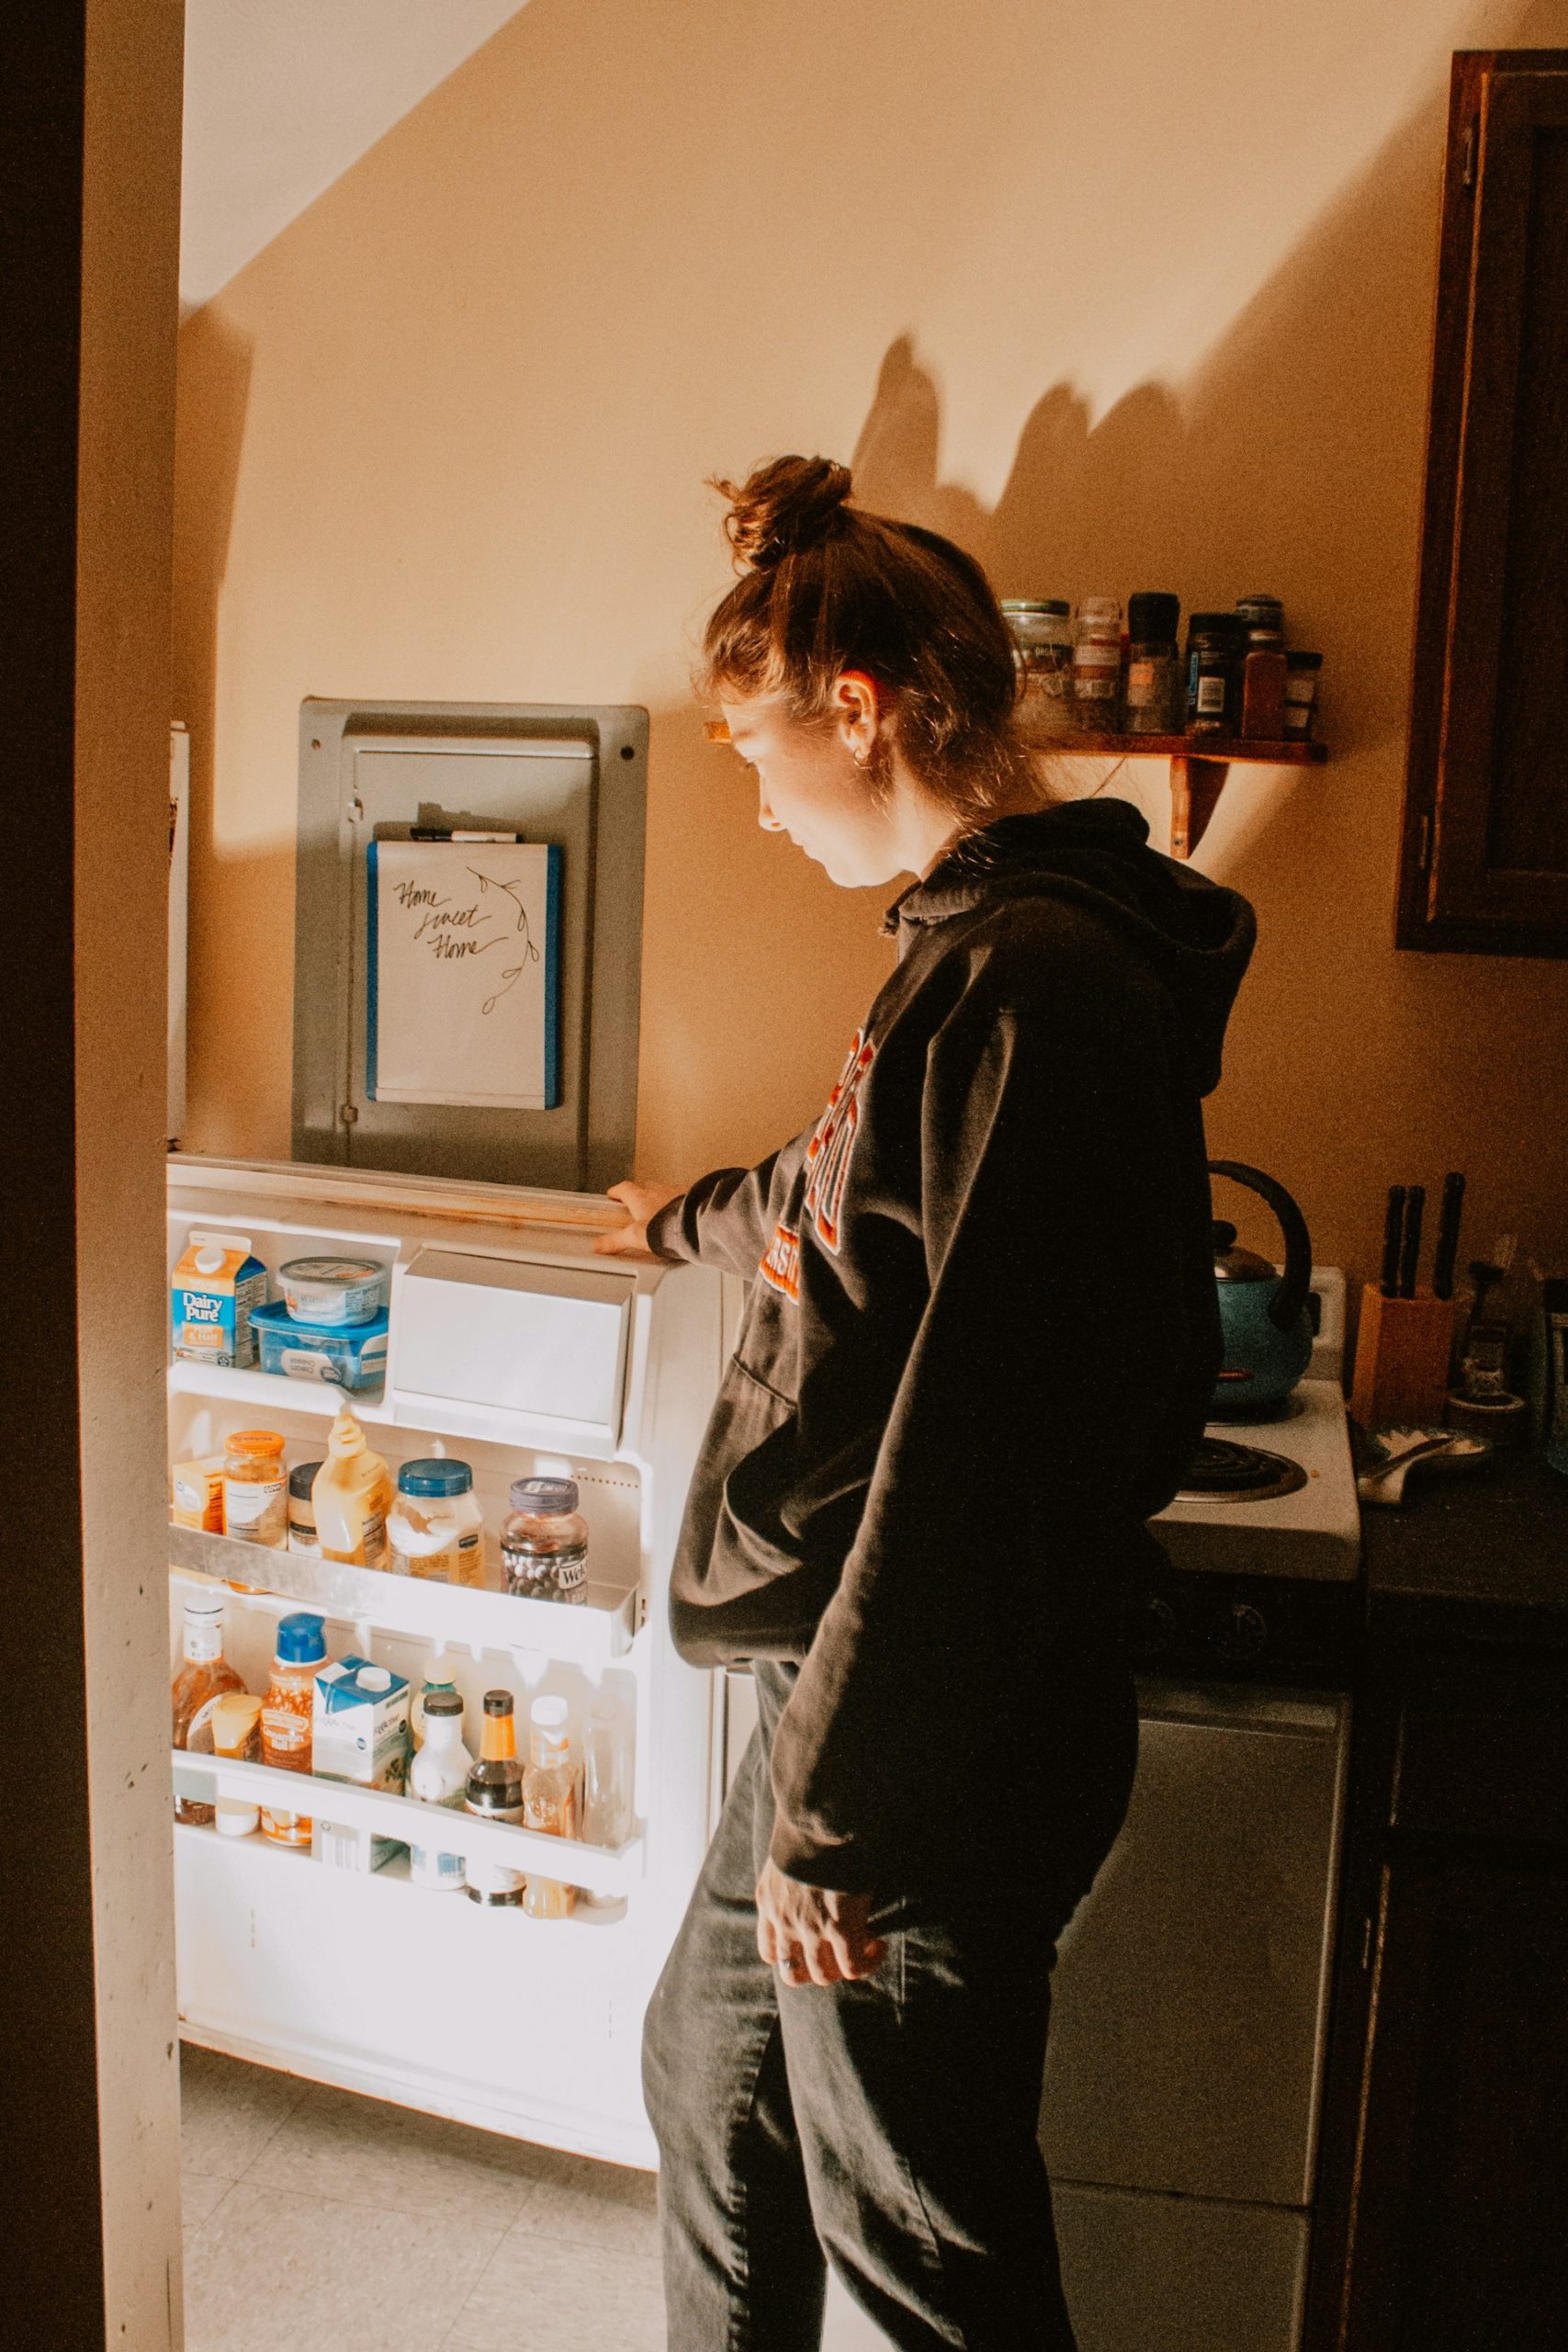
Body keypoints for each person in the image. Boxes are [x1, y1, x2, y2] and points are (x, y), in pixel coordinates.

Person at [596, 455, 1256, 2351]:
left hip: (936, 1730)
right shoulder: (971, 954)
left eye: (747, 747)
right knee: (708, 2081)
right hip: (863, 1704)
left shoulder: (1031, 986)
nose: (750, 796)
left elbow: (984, 1456)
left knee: (916, 2228)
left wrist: (840, 1814)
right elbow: (845, 1204)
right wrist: (677, 1220)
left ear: (859, 706)